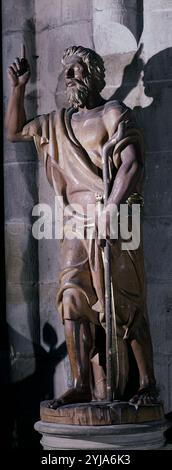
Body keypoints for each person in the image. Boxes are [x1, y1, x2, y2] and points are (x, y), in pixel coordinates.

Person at [5, 45, 158, 408]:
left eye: (75, 69)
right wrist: (18, 88)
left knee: (123, 300)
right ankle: (79, 382)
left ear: (93, 74)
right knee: (71, 299)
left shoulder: (113, 112)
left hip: (115, 221)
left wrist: (111, 212)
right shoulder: (56, 123)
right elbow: (13, 132)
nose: (68, 76)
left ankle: (148, 382)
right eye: (66, 71)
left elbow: (131, 164)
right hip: (74, 224)